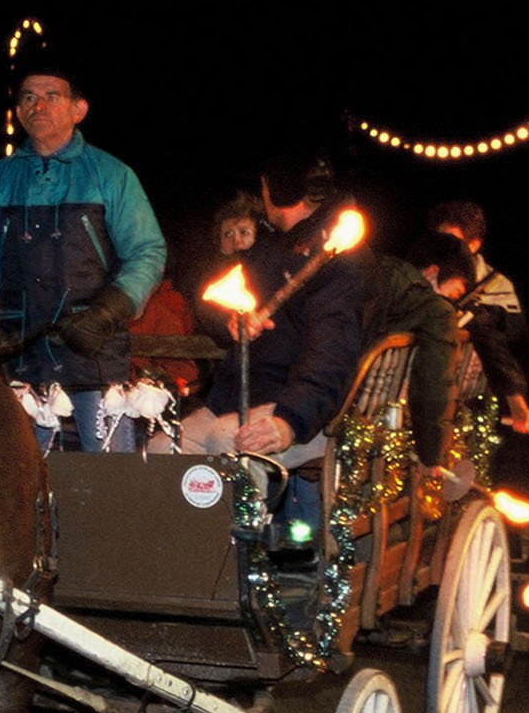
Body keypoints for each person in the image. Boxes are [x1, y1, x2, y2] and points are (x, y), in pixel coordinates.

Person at [166, 163, 463, 477]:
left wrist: (290, 420)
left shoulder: (344, 263)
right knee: (162, 450)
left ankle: (248, 511)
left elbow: (332, 353)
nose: (262, 196)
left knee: (228, 442)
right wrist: (232, 319)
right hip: (236, 395)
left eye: (266, 187)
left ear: (278, 192)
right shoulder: (266, 243)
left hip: (303, 406)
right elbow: (211, 295)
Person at [0, 56, 167, 451]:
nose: (38, 105)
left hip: (93, 352)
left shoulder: (111, 175)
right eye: (28, 98)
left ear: (78, 110)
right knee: (17, 472)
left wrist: (107, 312)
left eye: (51, 96)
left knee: (109, 471)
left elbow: (147, 252)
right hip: (18, 353)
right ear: (19, 111)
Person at [427, 200, 529, 417]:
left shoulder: (497, 286)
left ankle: (516, 401)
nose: (443, 249)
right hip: (410, 391)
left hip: (469, 405)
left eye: (453, 242)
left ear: (474, 245)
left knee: (479, 318)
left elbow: (513, 351)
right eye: (439, 240)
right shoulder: (418, 274)